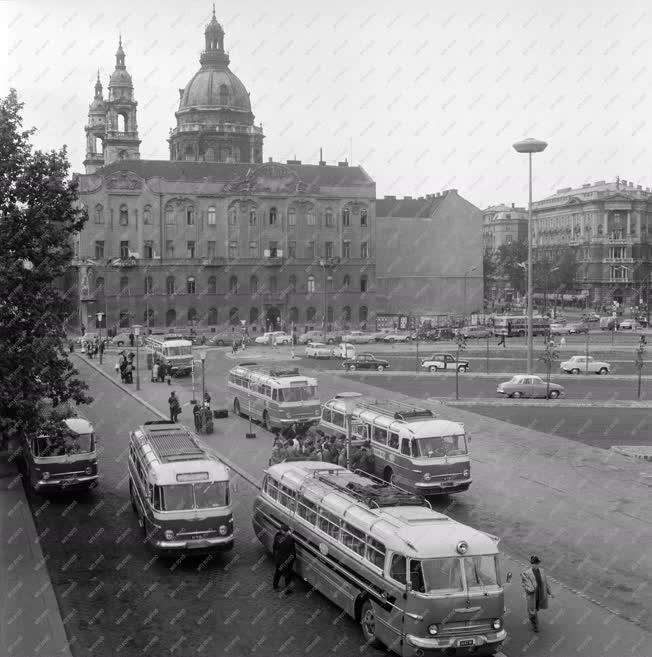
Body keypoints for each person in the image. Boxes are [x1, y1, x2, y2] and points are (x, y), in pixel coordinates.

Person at [521, 555, 554, 633]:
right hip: (532, 594)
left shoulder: (542, 571)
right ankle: (535, 625)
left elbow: (546, 583)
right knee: (532, 610)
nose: (536, 565)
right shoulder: (526, 573)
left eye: (537, 563)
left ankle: (534, 620)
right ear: (532, 563)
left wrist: (550, 593)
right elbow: (524, 583)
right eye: (535, 563)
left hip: (540, 593)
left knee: (536, 607)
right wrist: (529, 588)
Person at [272, 524, 296, 595]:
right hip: (287, 561)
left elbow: (275, 548)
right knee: (288, 575)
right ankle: (287, 590)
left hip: (279, 560)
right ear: (286, 531)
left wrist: (275, 558)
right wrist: (292, 561)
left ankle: (275, 586)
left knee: (278, 573)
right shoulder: (290, 539)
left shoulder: (277, 538)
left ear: (281, 531)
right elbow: (292, 553)